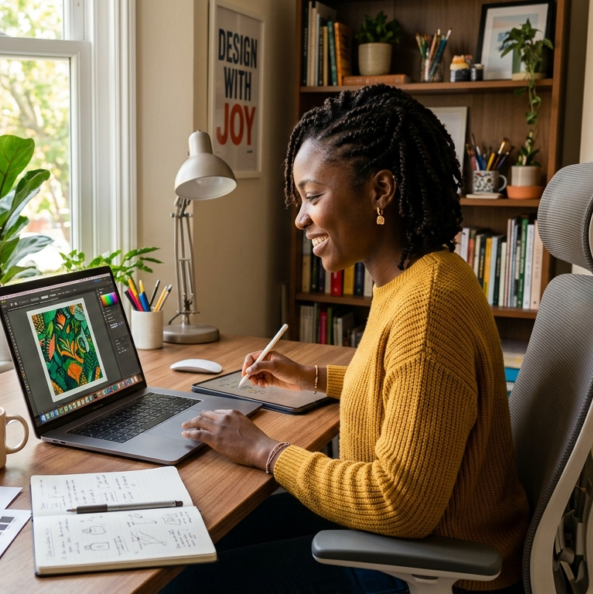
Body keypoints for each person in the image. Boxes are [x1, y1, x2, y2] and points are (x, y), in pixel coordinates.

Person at [165, 85, 530, 594]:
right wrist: (311, 377)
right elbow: (411, 392)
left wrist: (264, 451)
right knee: (192, 543)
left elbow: (399, 504)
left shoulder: (428, 308)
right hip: (404, 541)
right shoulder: (417, 274)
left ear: (381, 190)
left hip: (428, 566)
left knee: (180, 584)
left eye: (313, 197)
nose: (299, 218)